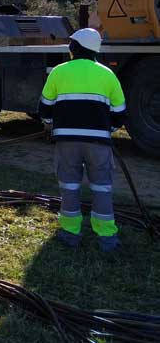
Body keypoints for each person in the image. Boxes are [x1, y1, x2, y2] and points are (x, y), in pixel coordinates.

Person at [38, 28, 126, 252]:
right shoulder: (107, 74)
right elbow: (119, 111)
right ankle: (107, 238)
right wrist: (109, 129)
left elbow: (45, 107)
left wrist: (49, 124)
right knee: (102, 189)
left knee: (69, 186)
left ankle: (70, 234)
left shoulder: (59, 72)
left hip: (66, 141)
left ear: (74, 48)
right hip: (99, 143)